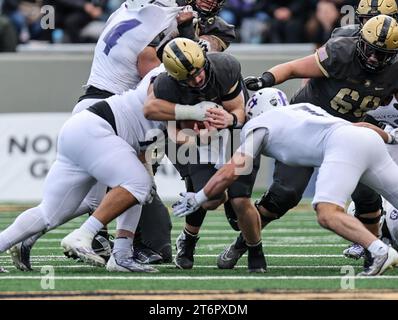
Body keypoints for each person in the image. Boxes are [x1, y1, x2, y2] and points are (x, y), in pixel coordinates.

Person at [7, 0, 182, 272]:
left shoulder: (125, 13)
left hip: (89, 110)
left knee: (84, 202)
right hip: (106, 116)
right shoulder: (159, 34)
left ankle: (25, 236)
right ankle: (103, 245)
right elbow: (154, 83)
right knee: (136, 184)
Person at [220, 14, 398, 270]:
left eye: (382, 54)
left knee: (368, 197)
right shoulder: (342, 51)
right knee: (284, 195)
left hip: (347, 137)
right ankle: (242, 244)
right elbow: (293, 68)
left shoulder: (394, 69)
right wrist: (265, 80)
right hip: (306, 131)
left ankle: (374, 254)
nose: (374, 58)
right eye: (371, 50)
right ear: (361, 42)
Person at [173, 87, 398, 276]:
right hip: (369, 139)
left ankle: (379, 250)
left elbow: (233, 169)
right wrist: (391, 137)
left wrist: (199, 197)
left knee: (327, 212)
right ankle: (379, 248)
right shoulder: (306, 109)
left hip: (344, 145)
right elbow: (361, 127)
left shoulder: (259, 124)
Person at [0, 65, 170, 273]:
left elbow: (148, 147)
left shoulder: (170, 78)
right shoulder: (168, 81)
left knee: (49, 212)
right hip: (99, 129)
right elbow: (157, 114)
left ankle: (120, 254)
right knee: (136, 184)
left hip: (81, 129)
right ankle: (92, 240)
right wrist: (198, 112)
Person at [143, 37, 266, 272]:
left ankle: (255, 250)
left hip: (234, 133)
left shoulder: (224, 68)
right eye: (188, 77)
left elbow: (238, 111)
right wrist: (196, 137)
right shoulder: (166, 86)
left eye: (198, 72)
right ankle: (188, 239)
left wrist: (230, 119)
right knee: (209, 199)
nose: (196, 79)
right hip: (200, 140)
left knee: (240, 200)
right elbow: (172, 131)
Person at [132, 0, 238, 265]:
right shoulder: (160, 16)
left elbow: (200, 57)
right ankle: (113, 238)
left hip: (196, 111)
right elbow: (148, 65)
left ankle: (189, 238)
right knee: (133, 179)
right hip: (157, 109)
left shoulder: (219, 30)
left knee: (204, 184)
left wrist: (187, 32)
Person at [331, 0, 398, 38]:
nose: (375, 24)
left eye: (381, 19)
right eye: (369, 19)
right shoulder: (343, 36)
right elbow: (321, 54)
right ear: (360, 19)